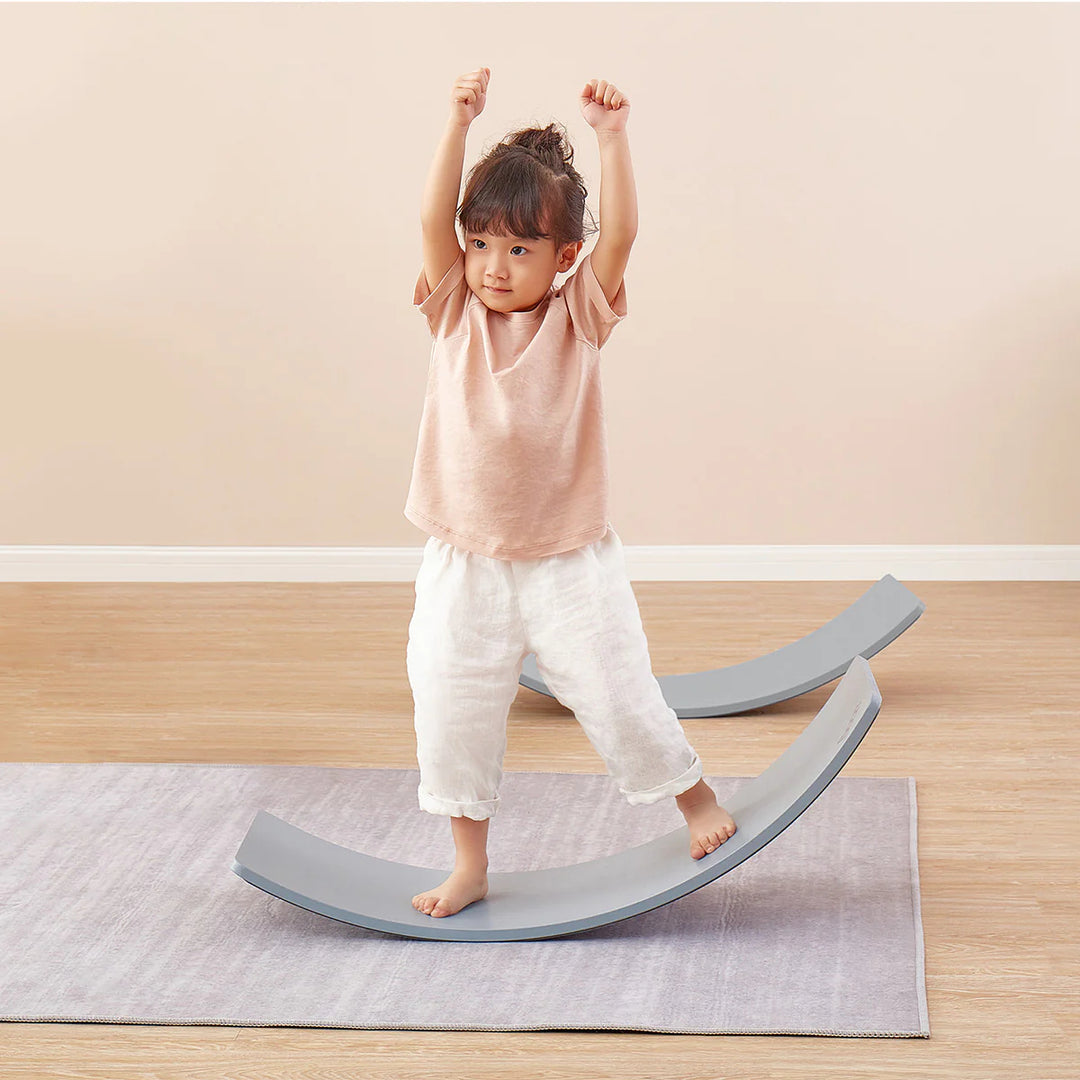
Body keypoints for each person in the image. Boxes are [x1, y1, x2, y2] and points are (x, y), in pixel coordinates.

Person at [405, 67, 736, 919]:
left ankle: (693, 798)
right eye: (481, 245)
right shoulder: (453, 311)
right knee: (450, 708)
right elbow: (430, 217)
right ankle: (469, 863)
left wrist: (613, 140)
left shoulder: (579, 313)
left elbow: (622, 233)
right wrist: (457, 122)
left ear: (564, 258)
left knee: (617, 688)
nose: (494, 267)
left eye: (519, 249)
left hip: (568, 559)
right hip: (464, 558)